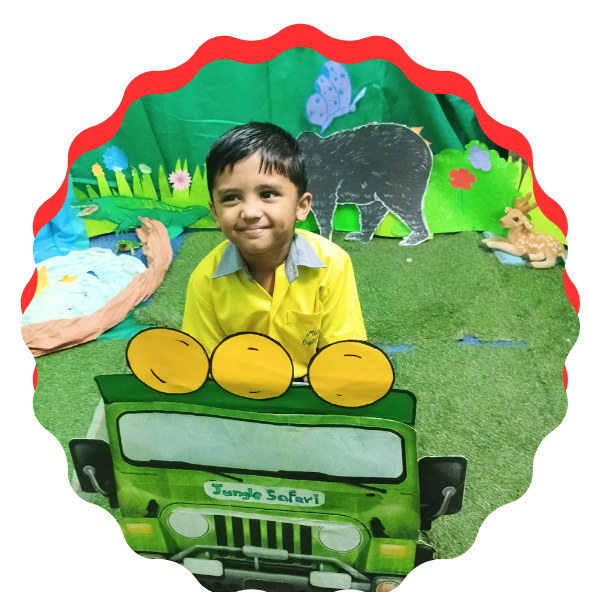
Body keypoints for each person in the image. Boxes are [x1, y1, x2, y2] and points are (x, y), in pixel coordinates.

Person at [181, 122, 366, 380]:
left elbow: (343, 354)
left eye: (267, 194)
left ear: (302, 206)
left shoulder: (331, 264)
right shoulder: (205, 280)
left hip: (309, 387)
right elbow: (204, 364)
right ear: (215, 212)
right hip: (238, 387)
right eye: (231, 198)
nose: (250, 212)